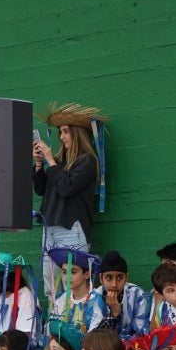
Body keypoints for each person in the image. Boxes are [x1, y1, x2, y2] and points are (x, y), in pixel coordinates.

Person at [33, 102, 104, 295]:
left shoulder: (87, 161)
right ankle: (55, 322)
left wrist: (50, 160)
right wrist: (39, 164)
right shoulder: (59, 162)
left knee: (74, 284)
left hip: (72, 228)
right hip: (51, 228)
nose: (61, 137)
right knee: (51, 286)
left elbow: (66, 188)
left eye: (65, 131)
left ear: (77, 133)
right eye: (60, 133)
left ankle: (77, 321)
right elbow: (41, 189)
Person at [47, 247, 106, 332]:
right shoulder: (61, 300)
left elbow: (94, 336)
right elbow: (51, 329)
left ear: (87, 274)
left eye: (73, 272)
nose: (67, 277)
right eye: (64, 272)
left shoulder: (96, 300)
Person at [94, 249, 150, 337]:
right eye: (109, 278)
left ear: (126, 278)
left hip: (131, 347)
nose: (114, 284)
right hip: (105, 349)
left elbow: (141, 333)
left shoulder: (137, 295)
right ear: (101, 278)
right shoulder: (95, 297)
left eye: (120, 278)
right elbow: (94, 338)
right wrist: (114, 314)